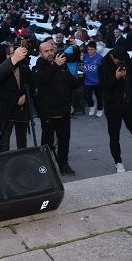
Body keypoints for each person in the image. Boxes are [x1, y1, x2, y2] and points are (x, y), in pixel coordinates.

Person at [34, 39, 82, 176]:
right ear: (40, 53)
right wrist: (55, 65)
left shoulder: (60, 63)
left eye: (51, 50)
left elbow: (69, 84)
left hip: (64, 110)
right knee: (47, 143)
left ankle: (64, 164)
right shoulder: (40, 66)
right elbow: (41, 78)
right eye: (46, 51)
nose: (50, 53)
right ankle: (45, 168)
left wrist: (83, 76)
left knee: (64, 140)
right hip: (49, 112)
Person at [0, 41, 34, 153]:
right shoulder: (1, 69)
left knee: (22, 139)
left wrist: (25, 97)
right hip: (7, 110)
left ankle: (21, 160)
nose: (12, 56)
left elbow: (32, 84)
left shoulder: (24, 66)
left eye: (14, 53)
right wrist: (14, 99)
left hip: (22, 110)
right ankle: (4, 161)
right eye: (9, 54)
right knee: (4, 139)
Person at [82, 41, 104, 117]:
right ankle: (91, 106)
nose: (90, 51)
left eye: (92, 49)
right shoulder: (85, 56)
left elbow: (104, 69)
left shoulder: (100, 58)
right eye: (88, 49)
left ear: (95, 49)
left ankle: (100, 109)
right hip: (88, 81)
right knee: (87, 95)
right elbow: (82, 65)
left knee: (99, 97)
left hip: (97, 82)